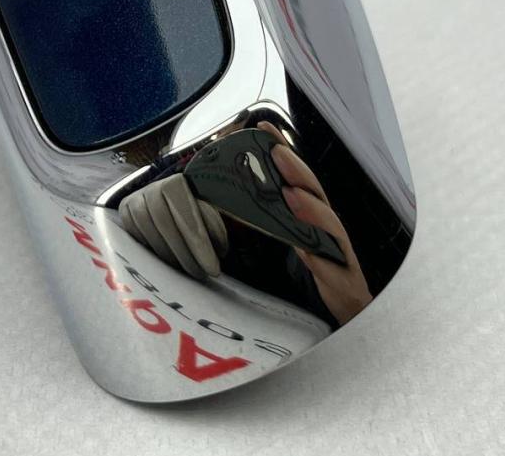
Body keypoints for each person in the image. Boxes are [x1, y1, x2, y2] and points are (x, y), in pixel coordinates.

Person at [118, 121, 373, 327]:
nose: (221, 137)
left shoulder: (310, 202)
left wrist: (354, 309)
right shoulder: (180, 169)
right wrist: (124, 214)